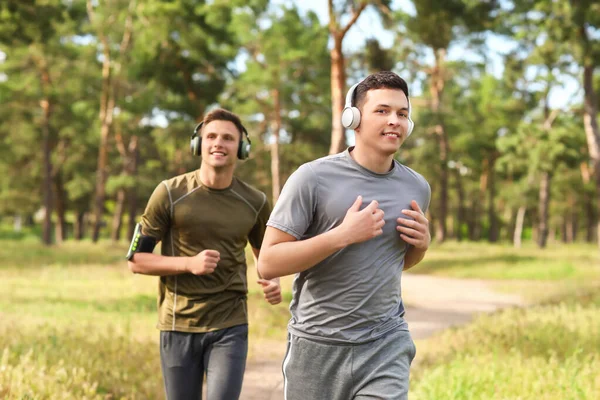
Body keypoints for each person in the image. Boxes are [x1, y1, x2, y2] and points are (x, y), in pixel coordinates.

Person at [257, 71, 431, 400]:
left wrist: (421, 247)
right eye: (382, 111)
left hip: (385, 342)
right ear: (353, 118)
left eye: (402, 114)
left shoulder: (417, 187)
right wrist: (342, 236)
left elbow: (395, 262)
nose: (394, 120)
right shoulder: (311, 178)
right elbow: (268, 263)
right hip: (317, 345)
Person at [126, 108, 282, 400]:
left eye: (227, 138)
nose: (218, 143)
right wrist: (189, 264)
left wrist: (271, 279)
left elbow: (266, 255)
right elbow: (137, 260)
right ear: (198, 145)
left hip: (230, 322)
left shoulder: (255, 201)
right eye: (210, 136)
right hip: (178, 322)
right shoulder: (169, 193)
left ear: (242, 148)